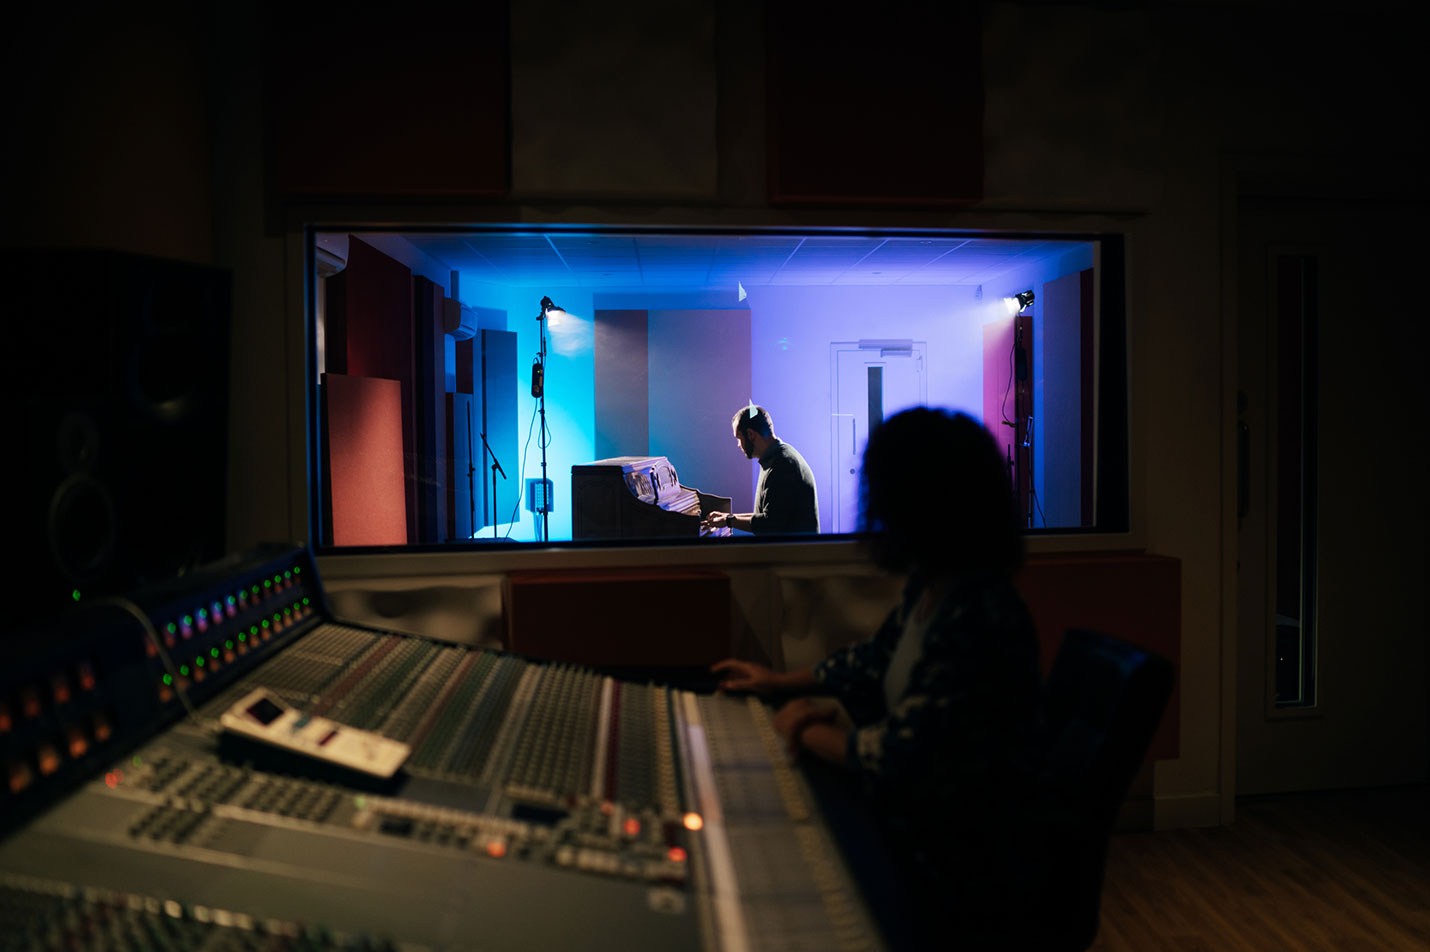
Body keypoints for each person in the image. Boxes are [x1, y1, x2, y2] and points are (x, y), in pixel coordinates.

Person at [711, 408, 1044, 947]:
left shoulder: (982, 614)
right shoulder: (934, 587)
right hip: (922, 827)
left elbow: (902, 755)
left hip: (954, 864)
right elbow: (872, 660)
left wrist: (804, 729)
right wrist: (779, 684)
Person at [703, 404, 819, 535]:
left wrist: (729, 520)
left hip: (793, 555)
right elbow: (768, 514)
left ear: (751, 434)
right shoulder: (776, 458)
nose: (738, 445)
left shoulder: (782, 465)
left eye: (739, 438)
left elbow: (769, 524)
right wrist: (728, 517)